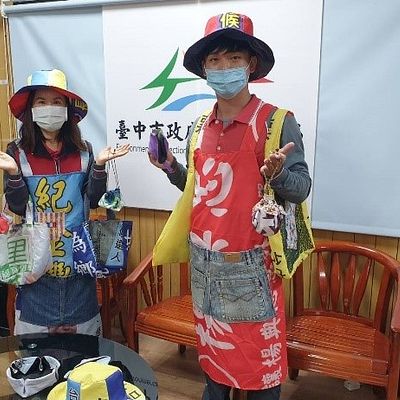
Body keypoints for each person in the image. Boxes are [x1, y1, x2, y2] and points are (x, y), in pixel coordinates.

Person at [148, 13, 312, 400]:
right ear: (204, 69)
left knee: (260, 374)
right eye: (215, 60)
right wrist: (170, 166)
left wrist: (277, 175)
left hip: (252, 267)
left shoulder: (275, 122)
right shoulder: (199, 126)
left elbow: (301, 188)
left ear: (251, 64)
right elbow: (199, 188)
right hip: (204, 264)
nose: (224, 68)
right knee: (215, 366)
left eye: (234, 58)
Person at [0, 69, 130, 335]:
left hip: (78, 264)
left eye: (57, 102)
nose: (50, 108)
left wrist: (100, 166)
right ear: (31, 110)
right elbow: (17, 207)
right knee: (36, 350)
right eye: (41, 102)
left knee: (83, 349)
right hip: (37, 270)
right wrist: (13, 174)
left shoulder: (85, 151)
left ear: (68, 110)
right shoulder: (17, 152)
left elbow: (94, 200)